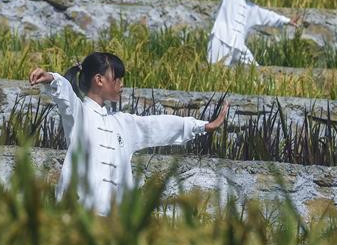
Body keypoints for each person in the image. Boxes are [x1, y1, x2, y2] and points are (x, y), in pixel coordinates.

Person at [29, 52, 228, 215]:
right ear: (99, 80)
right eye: (117, 78)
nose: (121, 84)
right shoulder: (79, 113)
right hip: (77, 214)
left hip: (115, 220)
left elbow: (157, 125)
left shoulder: (123, 123)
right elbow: (65, 95)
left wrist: (202, 126)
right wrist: (51, 78)